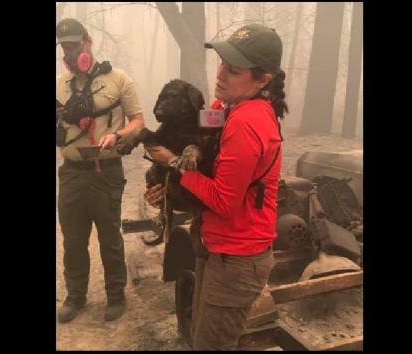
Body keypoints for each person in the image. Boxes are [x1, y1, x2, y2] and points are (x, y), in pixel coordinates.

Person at [144, 24, 288, 350]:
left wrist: (172, 164)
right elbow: (196, 139)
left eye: (233, 70)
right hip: (213, 244)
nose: (220, 74)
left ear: (262, 80)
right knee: (200, 337)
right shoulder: (225, 108)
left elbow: (223, 201)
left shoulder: (248, 122)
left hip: (236, 259)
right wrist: (166, 188)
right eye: (221, 62)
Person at [56, 18, 145, 323]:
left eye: (74, 44)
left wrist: (118, 135)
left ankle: (116, 295)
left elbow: (137, 120)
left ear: (88, 42)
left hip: (105, 171)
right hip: (71, 173)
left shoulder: (118, 79)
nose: (69, 51)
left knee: (109, 237)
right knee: (73, 238)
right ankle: (75, 296)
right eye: (64, 46)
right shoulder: (58, 84)